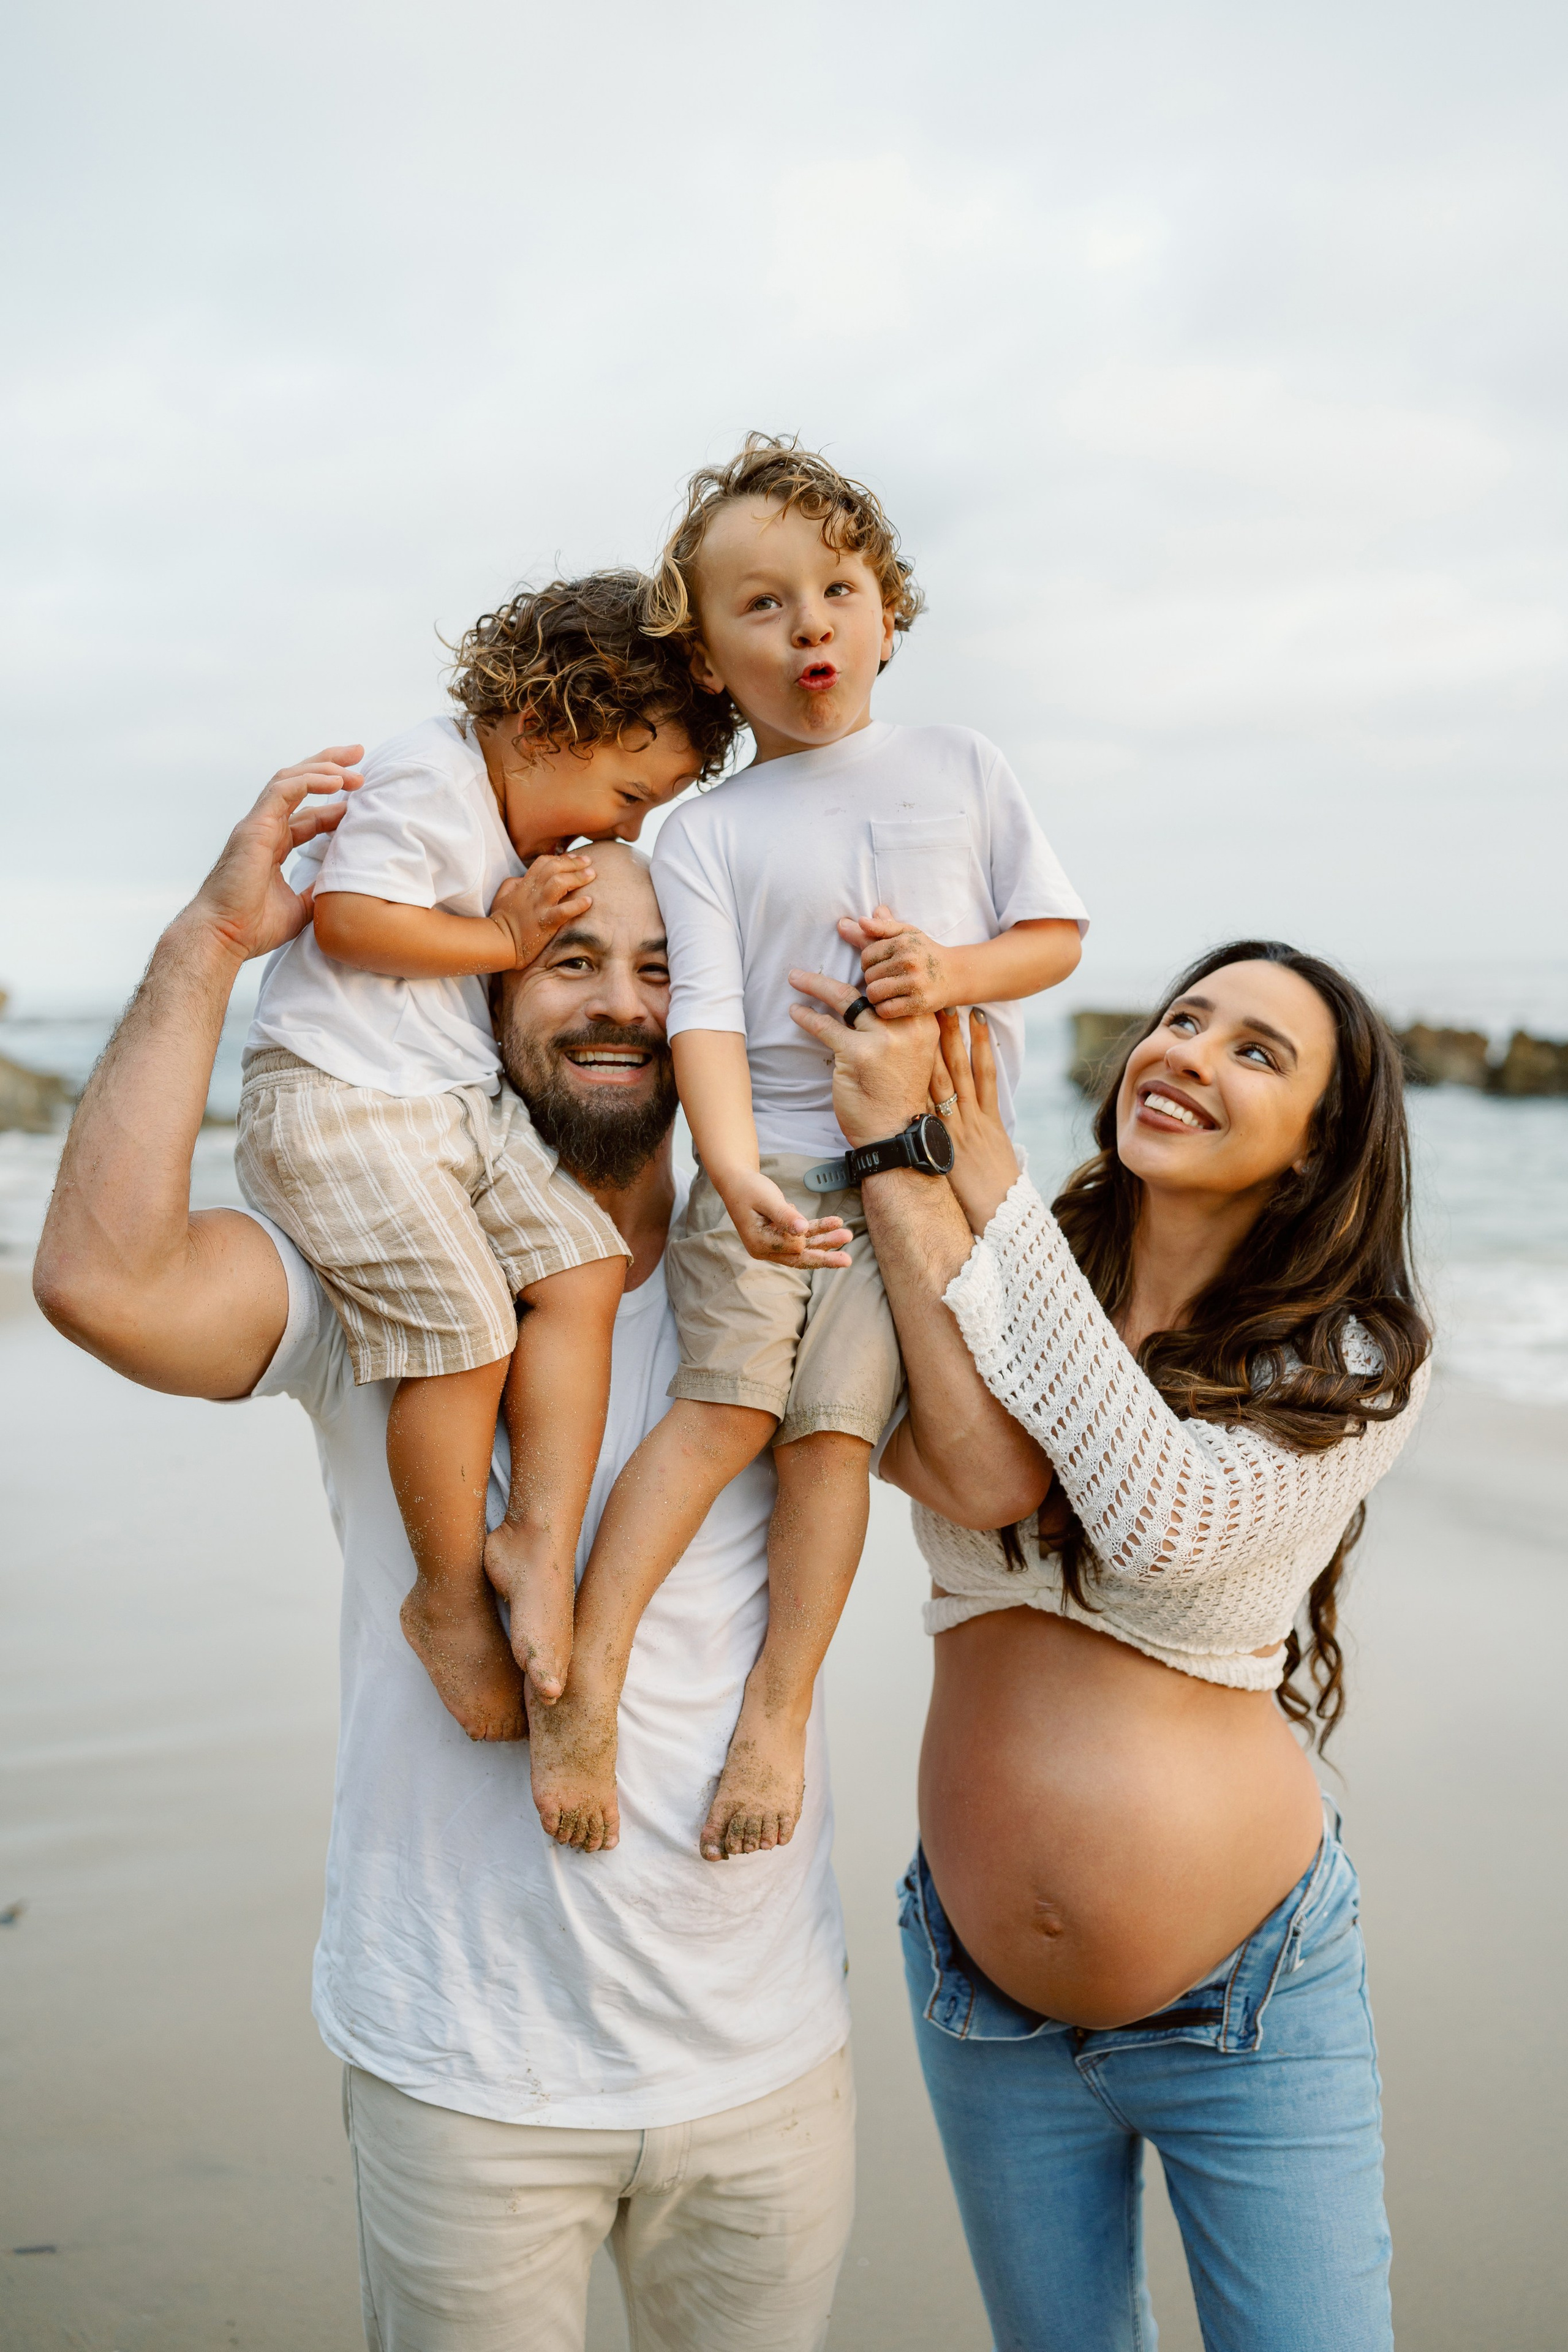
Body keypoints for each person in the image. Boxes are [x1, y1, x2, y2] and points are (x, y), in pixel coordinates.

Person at [33, 755, 855, 2352]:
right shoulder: (390, 1266)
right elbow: (102, 1283)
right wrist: (210, 941)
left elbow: (981, 1469)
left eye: (665, 970)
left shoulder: (787, 1271)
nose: (622, 1004)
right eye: (571, 959)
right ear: (481, 990)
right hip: (466, 2072)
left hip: (764, 2056)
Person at [784, 947, 1431, 2352]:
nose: (1187, 1051)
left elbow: (1155, 1516)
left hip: (1248, 2002)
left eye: (1255, 1051)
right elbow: (945, 1460)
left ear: (1317, 1143)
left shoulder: (1358, 1356)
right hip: (979, 1999)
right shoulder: (1012, 1255)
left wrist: (983, 1177)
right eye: (1182, 1018)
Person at [528, 435, 1089, 1865]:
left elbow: (1051, 939)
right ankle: (587, 1682)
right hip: (772, 1167)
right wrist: (729, 1173)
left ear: (887, 616)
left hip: (916, 1181)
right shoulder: (707, 832)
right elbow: (707, 1020)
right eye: (761, 606)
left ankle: (774, 1717)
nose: (807, 626)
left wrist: (948, 974)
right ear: (708, 660)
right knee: (723, 1413)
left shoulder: (960, 766)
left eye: (837, 591)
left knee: (831, 1440)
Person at [238, 575, 731, 1738]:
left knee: (583, 1264)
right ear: (546, 722)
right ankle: (449, 1594)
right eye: (626, 796)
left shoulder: (502, 821)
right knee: (465, 1333)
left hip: (441, 1104)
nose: (624, 832)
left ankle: (538, 1540)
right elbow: (348, 919)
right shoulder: (426, 775)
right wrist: (507, 937)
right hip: (340, 1102)